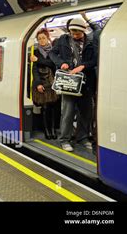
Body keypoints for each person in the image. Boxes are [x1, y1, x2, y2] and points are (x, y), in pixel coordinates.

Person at [49, 17, 97, 152]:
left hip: (86, 82)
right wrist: (61, 63)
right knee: (68, 112)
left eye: (78, 34)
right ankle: (64, 139)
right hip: (68, 81)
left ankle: (82, 137)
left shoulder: (91, 41)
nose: (75, 36)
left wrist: (83, 66)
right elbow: (52, 53)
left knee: (86, 112)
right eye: (73, 33)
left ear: (84, 31)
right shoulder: (63, 40)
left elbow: (95, 60)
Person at [31, 29, 60, 140]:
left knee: (54, 107)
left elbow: (53, 64)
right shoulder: (36, 51)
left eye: (43, 38)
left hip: (53, 82)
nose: (42, 40)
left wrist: (38, 60)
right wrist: (38, 83)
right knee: (45, 107)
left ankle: (53, 129)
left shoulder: (54, 51)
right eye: (39, 39)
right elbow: (34, 70)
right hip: (42, 83)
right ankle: (47, 130)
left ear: (48, 38)